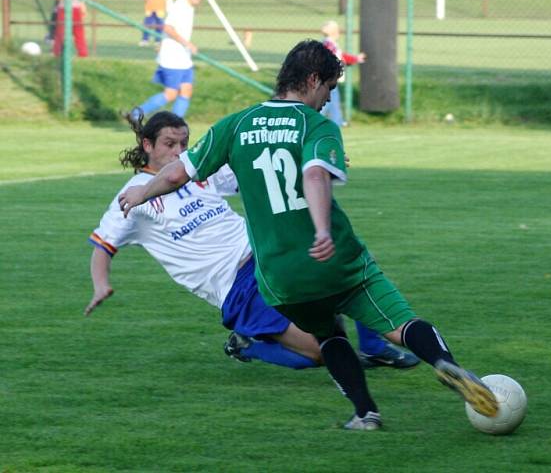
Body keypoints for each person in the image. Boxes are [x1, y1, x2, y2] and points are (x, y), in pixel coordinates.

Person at [118, 40, 499, 430]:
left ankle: (365, 413)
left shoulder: (235, 125)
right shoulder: (316, 125)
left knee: (328, 334)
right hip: (335, 259)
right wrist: (320, 229)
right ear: (313, 80)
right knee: (399, 324)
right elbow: (314, 174)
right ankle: (444, 363)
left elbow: (179, 171)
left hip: (280, 276)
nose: (327, 99)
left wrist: (141, 191)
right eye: (329, 89)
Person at [85, 110, 419, 370]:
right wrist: (101, 284)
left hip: (266, 255)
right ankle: (247, 344)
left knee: (338, 261)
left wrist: (315, 161)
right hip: (234, 287)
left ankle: (375, 347)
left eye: (184, 145)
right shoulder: (133, 198)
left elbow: (259, 168)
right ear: (147, 145)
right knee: (323, 353)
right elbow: (103, 246)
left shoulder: (198, 172)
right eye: (170, 145)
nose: (180, 152)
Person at [129, 0, 203, 121]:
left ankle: (175, 125)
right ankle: (136, 114)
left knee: (186, 91)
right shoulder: (180, 6)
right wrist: (187, 44)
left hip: (184, 58)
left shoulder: (189, 7)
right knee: (171, 94)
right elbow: (168, 28)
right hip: (173, 58)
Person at [320, 20, 366, 127]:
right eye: (338, 31)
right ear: (333, 32)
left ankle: (337, 121)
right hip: (327, 77)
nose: (339, 33)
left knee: (334, 99)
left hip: (330, 78)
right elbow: (333, 58)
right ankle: (314, 119)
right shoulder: (328, 44)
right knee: (327, 100)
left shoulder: (331, 44)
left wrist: (356, 59)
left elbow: (341, 56)